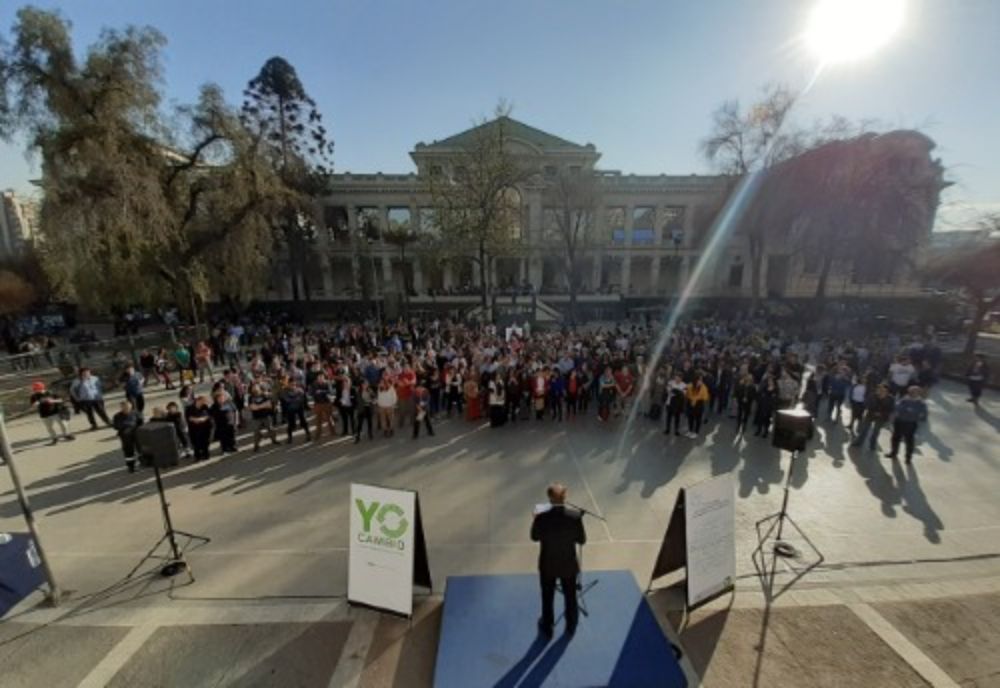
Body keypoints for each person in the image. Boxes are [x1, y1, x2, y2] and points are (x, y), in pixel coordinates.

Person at [531, 483, 587, 638]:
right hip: (568, 565)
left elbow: (534, 537)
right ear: (565, 497)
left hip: (547, 565)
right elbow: (582, 540)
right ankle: (571, 624)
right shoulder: (575, 517)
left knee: (547, 596)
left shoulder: (541, 517)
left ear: (549, 498)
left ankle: (547, 627)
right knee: (570, 595)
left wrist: (534, 520)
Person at [888, 386, 928, 463]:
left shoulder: (921, 403)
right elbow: (897, 408)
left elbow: (923, 415)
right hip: (900, 421)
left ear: (918, 393)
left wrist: (913, 413)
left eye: (915, 392)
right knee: (895, 438)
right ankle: (893, 453)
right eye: (911, 392)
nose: (913, 393)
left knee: (909, 441)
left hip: (911, 424)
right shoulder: (904, 400)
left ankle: (908, 458)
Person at [852, 383, 895, 452]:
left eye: (883, 390)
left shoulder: (890, 399)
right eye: (880, 389)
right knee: (864, 429)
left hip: (882, 417)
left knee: (876, 431)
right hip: (870, 414)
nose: (881, 391)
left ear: (887, 391)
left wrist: (881, 413)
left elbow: (891, 409)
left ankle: (872, 444)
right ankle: (858, 442)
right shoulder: (873, 396)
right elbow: (866, 404)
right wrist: (874, 410)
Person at [112, 400, 143, 473]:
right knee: (128, 453)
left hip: (136, 434)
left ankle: (144, 462)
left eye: (127, 407)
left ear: (131, 406)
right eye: (124, 407)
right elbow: (115, 426)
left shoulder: (136, 413)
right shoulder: (117, 416)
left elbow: (141, 422)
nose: (126, 409)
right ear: (121, 408)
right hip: (125, 437)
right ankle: (131, 467)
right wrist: (125, 426)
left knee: (140, 449)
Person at [248, 384, 279, 451]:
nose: (255, 389)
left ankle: (274, 440)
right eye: (253, 388)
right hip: (256, 417)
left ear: (259, 388)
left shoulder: (265, 395)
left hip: (266, 416)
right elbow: (252, 407)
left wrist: (257, 406)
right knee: (256, 431)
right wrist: (263, 405)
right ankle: (256, 445)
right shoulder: (251, 397)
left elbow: (269, 405)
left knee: (271, 429)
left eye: (256, 387)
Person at [185, 395, 214, 462]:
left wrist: (203, 419)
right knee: (196, 443)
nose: (204, 403)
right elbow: (188, 417)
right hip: (194, 429)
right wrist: (196, 420)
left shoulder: (205, 407)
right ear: (198, 401)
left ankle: (205, 454)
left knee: (205, 442)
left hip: (205, 428)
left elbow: (209, 415)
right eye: (203, 401)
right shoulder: (189, 408)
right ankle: (197, 457)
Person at [311, 373, 337, 440]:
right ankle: (318, 435)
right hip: (318, 404)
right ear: (317, 378)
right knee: (318, 420)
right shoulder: (314, 384)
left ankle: (333, 432)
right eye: (319, 377)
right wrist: (319, 393)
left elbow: (330, 391)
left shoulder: (327, 383)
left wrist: (321, 392)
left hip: (326, 403)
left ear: (323, 378)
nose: (320, 379)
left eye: (322, 377)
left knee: (330, 419)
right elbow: (312, 393)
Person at [211, 390, 239, 454]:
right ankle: (225, 449)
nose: (221, 399)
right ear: (216, 399)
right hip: (220, 425)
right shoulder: (214, 406)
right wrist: (213, 424)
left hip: (231, 423)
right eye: (219, 398)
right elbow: (211, 415)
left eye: (222, 397)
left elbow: (235, 411)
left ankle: (233, 447)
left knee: (232, 436)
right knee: (223, 438)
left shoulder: (229, 403)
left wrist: (236, 421)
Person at [685, 373, 710, 438]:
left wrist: (697, 398)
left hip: (699, 403)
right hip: (690, 403)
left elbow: (705, 397)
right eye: (699, 380)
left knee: (698, 418)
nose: (700, 381)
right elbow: (686, 391)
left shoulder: (704, 387)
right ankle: (690, 430)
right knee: (690, 417)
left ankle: (696, 432)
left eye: (701, 380)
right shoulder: (690, 385)